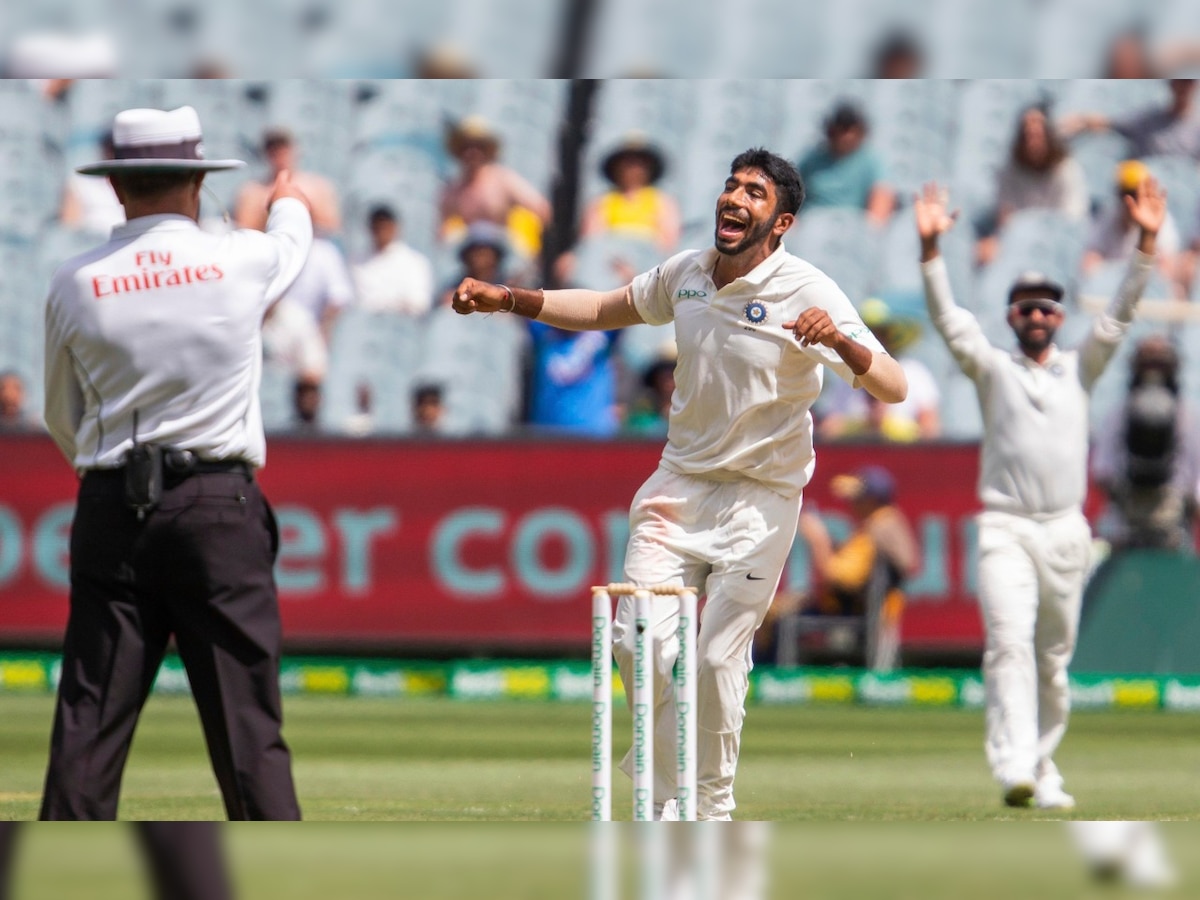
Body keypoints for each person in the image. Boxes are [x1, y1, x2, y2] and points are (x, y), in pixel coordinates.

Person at [452, 148, 907, 820]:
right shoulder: (688, 272)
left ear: (780, 223)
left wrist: (841, 344)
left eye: (755, 193)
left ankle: (707, 806)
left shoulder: (807, 287)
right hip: (680, 486)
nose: (736, 198)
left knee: (719, 662)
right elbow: (608, 307)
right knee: (639, 642)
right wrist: (511, 299)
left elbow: (892, 387)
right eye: (731, 185)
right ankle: (665, 784)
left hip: (761, 498)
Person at [40, 105, 311, 820]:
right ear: (197, 181)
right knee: (247, 725)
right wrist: (285, 194)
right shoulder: (239, 259)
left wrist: (105, 477)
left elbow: (60, 416)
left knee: (89, 723)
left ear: (120, 189)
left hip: (112, 504)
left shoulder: (76, 280)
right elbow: (293, 239)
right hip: (218, 504)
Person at [914, 177, 1165, 810]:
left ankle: (1043, 762)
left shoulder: (1080, 368)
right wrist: (930, 252)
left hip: (1065, 532)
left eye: (1046, 306)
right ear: (1010, 315)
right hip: (1005, 528)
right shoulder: (993, 368)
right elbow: (948, 322)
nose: (1035, 314)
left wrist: (1147, 244)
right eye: (1024, 305)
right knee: (1007, 644)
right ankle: (1014, 766)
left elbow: (1121, 316)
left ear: (1059, 316)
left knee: (1053, 660)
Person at [792, 465, 919, 669]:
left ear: (871, 500)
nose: (851, 502)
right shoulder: (883, 523)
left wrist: (819, 540)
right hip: (860, 611)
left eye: (857, 497)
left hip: (856, 615)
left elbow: (839, 577)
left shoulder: (879, 527)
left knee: (782, 617)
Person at [1091, 335, 1200, 551]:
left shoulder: (1189, 419)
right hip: (1126, 524)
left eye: (1159, 363)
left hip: (1172, 526)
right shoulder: (1118, 415)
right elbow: (1102, 473)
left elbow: (1102, 471)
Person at [976, 104, 1089, 267]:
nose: (1033, 142)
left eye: (1038, 135)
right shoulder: (1009, 170)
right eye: (1028, 135)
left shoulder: (1067, 170)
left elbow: (1071, 220)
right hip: (1017, 242)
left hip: (1055, 245)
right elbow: (1005, 218)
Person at [815, 296, 940, 442]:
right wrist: (864, 423)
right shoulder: (847, 377)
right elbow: (828, 430)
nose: (876, 339)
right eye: (870, 332)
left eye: (881, 333)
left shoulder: (915, 373)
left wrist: (890, 425)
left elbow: (930, 430)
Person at [439, 116, 552, 258]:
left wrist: (537, 248)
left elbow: (542, 209)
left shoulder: (503, 180)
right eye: (467, 146)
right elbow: (442, 237)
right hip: (468, 259)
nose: (472, 152)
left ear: (486, 150)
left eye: (478, 146)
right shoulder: (451, 191)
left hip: (506, 259)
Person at [1081, 160, 1182, 294]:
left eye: (1136, 194)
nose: (1131, 201)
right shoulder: (1109, 215)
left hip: (1147, 290)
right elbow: (1091, 258)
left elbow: (1167, 266)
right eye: (1126, 194)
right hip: (1112, 290)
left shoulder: (1159, 217)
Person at [797, 102, 895, 227]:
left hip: (852, 228)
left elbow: (882, 197)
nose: (845, 136)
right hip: (811, 225)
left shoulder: (872, 160)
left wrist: (873, 227)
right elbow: (791, 192)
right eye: (841, 129)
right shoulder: (811, 158)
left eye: (849, 129)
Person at [234, 127, 341, 235]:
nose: (279, 155)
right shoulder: (253, 191)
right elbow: (244, 229)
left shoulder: (318, 186)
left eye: (284, 149)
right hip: (269, 245)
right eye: (273, 150)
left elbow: (332, 228)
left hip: (313, 246)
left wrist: (301, 208)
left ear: (295, 150)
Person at [1059, 78, 1200, 160]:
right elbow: (1110, 123)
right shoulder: (1148, 119)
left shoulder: (1196, 128)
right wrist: (1080, 120)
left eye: (1188, 82)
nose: (1184, 87)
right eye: (1180, 81)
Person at [351, 205, 435, 316]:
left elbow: (419, 303)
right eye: (377, 228)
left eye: (385, 227)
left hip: (404, 326)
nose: (381, 233)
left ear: (395, 228)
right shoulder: (357, 262)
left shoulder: (415, 262)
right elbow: (357, 302)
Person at [58, 129, 125, 235]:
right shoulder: (80, 183)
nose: (114, 154)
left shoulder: (138, 185)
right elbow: (69, 225)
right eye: (111, 148)